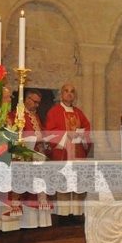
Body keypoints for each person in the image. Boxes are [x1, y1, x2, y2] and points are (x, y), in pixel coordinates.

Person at [44, 83, 92, 217]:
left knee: (76, 182)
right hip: (62, 153)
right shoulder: (54, 111)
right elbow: (49, 132)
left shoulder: (78, 113)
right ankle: (62, 214)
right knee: (63, 182)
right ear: (61, 94)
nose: (69, 94)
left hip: (77, 154)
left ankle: (76, 214)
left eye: (72, 91)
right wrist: (66, 134)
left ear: (74, 96)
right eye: (66, 91)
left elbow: (87, 128)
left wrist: (82, 134)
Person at [13, 88, 53, 228]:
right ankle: (27, 223)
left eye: (38, 103)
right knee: (27, 190)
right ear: (27, 100)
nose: (37, 105)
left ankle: (38, 222)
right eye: (35, 102)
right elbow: (16, 135)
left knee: (39, 189)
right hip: (25, 157)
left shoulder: (35, 116)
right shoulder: (18, 115)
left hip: (37, 157)